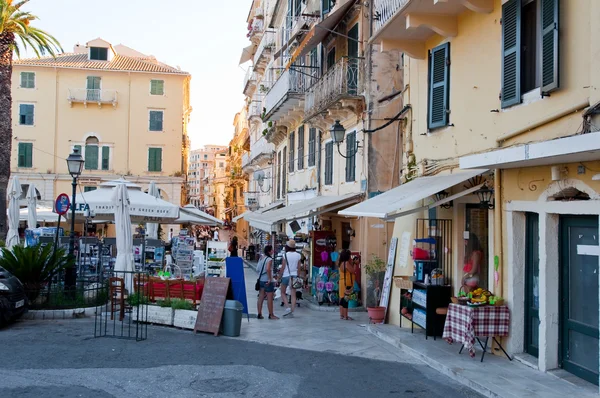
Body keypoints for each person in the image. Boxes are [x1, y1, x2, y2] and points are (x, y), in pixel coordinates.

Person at [278, 239, 301, 317]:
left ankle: (287, 307)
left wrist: (279, 276)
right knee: (293, 294)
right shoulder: (298, 255)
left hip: (286, 275)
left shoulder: (285, 255)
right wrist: (298, 276)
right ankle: (292, 310)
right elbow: (299, 267)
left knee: (282, 292)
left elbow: (283, 267)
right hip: (294, 275)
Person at [257, 245, 278, 320]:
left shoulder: (261, 258)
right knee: (270, 298)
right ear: (269, 251)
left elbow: (257, 269)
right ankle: (271, 314)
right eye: (272, 250)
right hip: (267, 280)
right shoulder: (269, 259)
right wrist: (270, 278)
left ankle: (259, 313)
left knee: (260, 297)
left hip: (261, 280)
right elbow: (268, 269)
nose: (273, 251)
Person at [338, 250, 355, 321]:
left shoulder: (341, 263)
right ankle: (346, 316)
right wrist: (354, 264)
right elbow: (353, 271)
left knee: (342, 299)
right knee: (346, 300)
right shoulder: (347, 263)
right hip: (347, 283)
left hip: (342, 282)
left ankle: (342, 315)